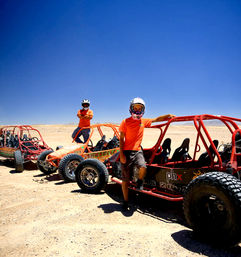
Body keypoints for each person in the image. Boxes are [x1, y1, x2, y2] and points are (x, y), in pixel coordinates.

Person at [119, 97, 175, 210]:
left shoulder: (143, 121)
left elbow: (156, 119)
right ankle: (125, 201)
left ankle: (140, 181)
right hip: (126, 151)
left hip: (138, 150)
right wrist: (121, 154)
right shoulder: (125, 121)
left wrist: (167, 116)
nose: (138, 110)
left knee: (143, 166)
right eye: (136, 108)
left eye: (140, 108)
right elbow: (121, 139)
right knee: (125, 180)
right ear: (131, 108)